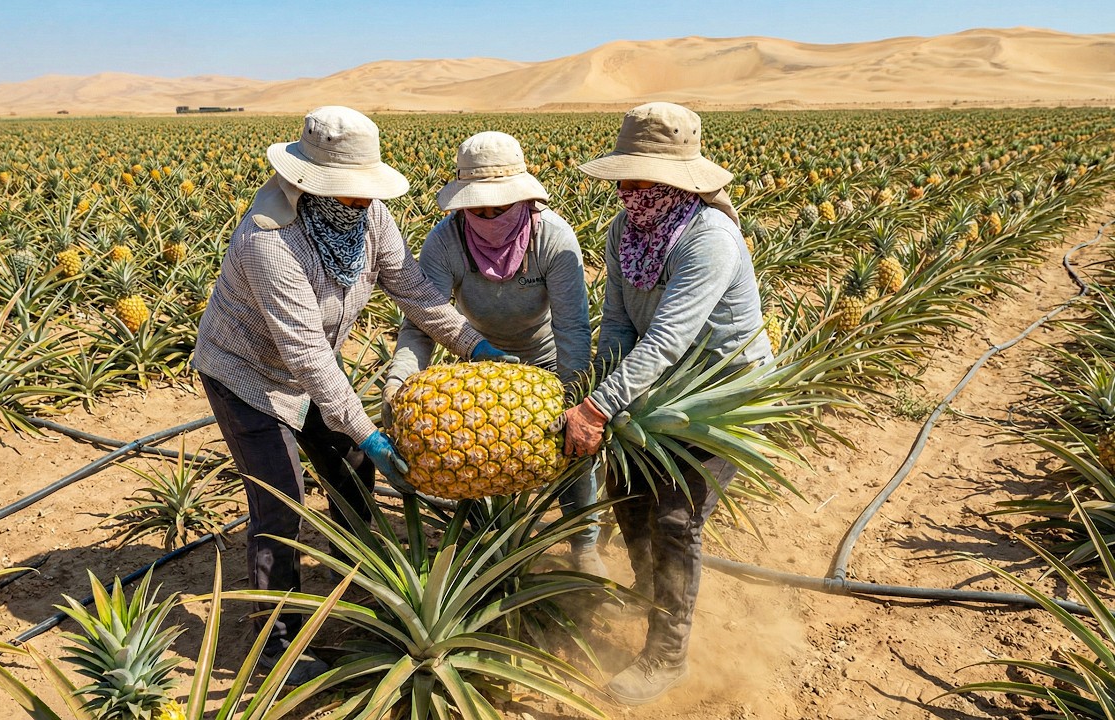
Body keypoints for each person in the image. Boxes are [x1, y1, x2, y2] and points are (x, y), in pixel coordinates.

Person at [192, 106, 514, 684]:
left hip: (312, 368)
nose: (363, 203)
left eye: (366, 193)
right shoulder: (270, 242)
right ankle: (276, 642)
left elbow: (410, 288)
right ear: (310, 187)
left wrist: (473, 345)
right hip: (246, 374)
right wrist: (363, 424)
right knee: (280, 499)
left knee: (353, 471)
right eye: (350, 194)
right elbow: (306, 354)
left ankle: (363, 591)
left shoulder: (370, 219)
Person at [555, 102, 773, 705]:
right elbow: (621, 324)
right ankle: (654, 595)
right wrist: (601, 389)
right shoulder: (626, 231)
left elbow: (670, 336)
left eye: (640, 177)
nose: (627, 189)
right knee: (629, 496)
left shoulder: (711, 239)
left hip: (721, 396)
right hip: (656, 388)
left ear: (677, 178)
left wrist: (598, 409)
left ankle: (667, 653)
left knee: (676, 518)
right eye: (624, 176)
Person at [381, 131, 607, 576]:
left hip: (544, 362)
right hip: (475, 366)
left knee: (573, 454)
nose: (485, 216)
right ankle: (497, 532)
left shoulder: (554, 240)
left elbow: (572, 328)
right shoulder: (445, 242)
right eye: (475, 208)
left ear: (522, 198)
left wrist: (573, 393)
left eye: (497, 208)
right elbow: (423, 323)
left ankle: (584, 540)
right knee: (482, 450)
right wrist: (398, 379)